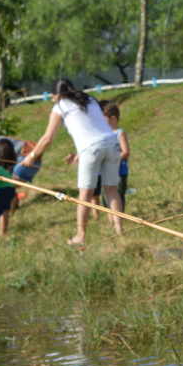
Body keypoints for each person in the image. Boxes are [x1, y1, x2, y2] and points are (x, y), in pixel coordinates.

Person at [22, 78, 123, 243]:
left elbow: (47, 139)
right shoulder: (90, 99)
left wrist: (31, 156)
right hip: (112, 143)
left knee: (85, 194)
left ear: (56, 95)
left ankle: (81, 235)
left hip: (91, 149)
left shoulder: (60, 107)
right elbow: (92, 129)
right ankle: (119, 228)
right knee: (111, 188)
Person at [99, 100, 131, 219]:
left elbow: (126, 152)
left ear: (113, 118)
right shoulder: (104, 135)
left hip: (119, 171)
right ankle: (111, 220)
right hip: (106, 171)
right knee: (106, 196)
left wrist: (113, 160)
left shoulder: (119, 133)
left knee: (118, 194)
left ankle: (119, 218)